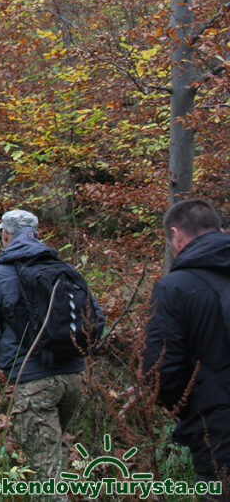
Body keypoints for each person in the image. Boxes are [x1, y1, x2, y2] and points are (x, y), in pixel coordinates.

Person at [0, 209, 105, 490]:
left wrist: (5, 353)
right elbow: (97, 319)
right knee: (53, 457)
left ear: (5, 236)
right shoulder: (65, 271)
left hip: (32, 384)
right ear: (36, 234)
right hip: (73, 379)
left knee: (47, 476)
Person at [143, 199, 230, 498]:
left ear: (177, 236)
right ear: (221, 230)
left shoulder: (175, 288)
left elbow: (161, 371)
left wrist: (179, 407)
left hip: (217, 430)